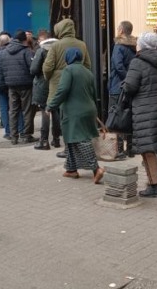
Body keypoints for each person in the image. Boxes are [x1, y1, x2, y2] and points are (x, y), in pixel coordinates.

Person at [121, 32, 157, 197]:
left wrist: (124, 86)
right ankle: (153, 182)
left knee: (147, 149)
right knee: (151, 147)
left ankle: (155, 186)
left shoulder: (138, 62)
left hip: (144, 110)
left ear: (143, 45)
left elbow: (129, 86)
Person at [47, 48, 105, 183]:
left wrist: (51, 105)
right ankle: (71, 169)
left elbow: (63, 90)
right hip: (88, 108)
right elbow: (93, 93)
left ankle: (96, 169)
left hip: (75, 112)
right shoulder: (87, 72)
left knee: (81, 140)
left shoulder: (69, 70)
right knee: (71, 139)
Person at [44, 19, 91, 158]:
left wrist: (49, 77)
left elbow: (47, 67)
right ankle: (78, 147)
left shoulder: (55, 46)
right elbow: (88, 65)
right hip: (78, 85)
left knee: (61, 117)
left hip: (58, 84)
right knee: (74, 117)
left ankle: (67, 148)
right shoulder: (81, 44)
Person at [0, 30, 36, 145]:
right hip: (26, 84)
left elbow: (2, 68)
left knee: (13, 111)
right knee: (27, 110)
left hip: (11, 85)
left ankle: (14, 137)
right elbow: (32, 68)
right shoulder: (26, 51)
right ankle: (27, 135)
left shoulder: (4, 52)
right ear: (23, 40)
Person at [108, 21, 137, 159]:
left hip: (117, 86)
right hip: (130, 86)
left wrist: (125, 79)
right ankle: (130, 149)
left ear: (120, 31)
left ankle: (119, 149)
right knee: (128, 115)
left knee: (116, 116)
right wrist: (130, 80)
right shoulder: (133, 46)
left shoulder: (118, 46)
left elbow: (118, 65)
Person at [32, 30, 60, 150]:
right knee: (56, 110)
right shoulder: (59, 49)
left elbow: (33, 69)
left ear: (42, 39)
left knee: (45, 111)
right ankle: (56, 139)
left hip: (43, 84)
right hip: (57, 83)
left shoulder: (41, 50)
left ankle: (44, 140)